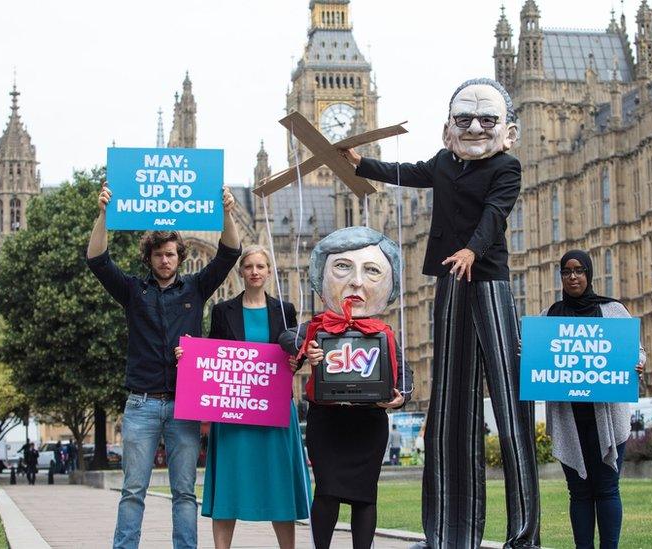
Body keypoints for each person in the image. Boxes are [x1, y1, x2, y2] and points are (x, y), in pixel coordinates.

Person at [341, 77, 539, 548]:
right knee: (450, 405)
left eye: (486, 120)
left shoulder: (506, 167)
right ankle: (451, 534)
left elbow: (495, 213)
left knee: (511, 404)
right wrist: (360, 162)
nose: (474, 127)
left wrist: (472, 250)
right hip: (450, 280)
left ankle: (524, 534)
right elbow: (406, 171)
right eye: (464, 119)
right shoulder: (445, 164)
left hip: (487, 279)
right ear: (448, 128)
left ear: (507, 130)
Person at [87, 181, 241, 549]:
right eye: (159, 255)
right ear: (149, 257)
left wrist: (228, 213)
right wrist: (103, 213)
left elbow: (229, 252)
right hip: (141, 403)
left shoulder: (195, 289)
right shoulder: (132, 291)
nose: (165, 260)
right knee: (133, 490)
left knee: (185, 493)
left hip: (184, 405)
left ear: (179, 256)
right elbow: (97, 260)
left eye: (171, 254)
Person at [279, 227, 413, 549]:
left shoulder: (383, 333)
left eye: (371, 270)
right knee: (326, 493)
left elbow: (404, 375)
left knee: (365, 496)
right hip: (328, 422)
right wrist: (309, 347)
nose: (356, 282)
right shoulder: (320, 326)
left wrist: (399, 397)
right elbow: (287, 338)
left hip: (368, 424)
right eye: (342, 267)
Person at [175, 244, 310, 549]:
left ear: (268, 271)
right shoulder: (223, 311)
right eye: (249, 267)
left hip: (274, 409)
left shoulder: (285, 310)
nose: (254, 272)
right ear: (241, 271)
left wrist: (296, 361)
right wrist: (189, 355)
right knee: (229, 485)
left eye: (260, 267)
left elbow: (294, 353)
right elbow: (212, 354)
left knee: (279, 484)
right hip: (234, 412)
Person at [542, 250, 646, 549]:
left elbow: (637, 350)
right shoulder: (551, 316)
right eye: (566, 271)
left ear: (589, 274)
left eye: (578, 270)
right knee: (578, 492)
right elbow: (536, 353)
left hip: (608, 418)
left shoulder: (613, 310)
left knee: (607, 489)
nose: (572, 277)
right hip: (570, 418)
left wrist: (638, 363)